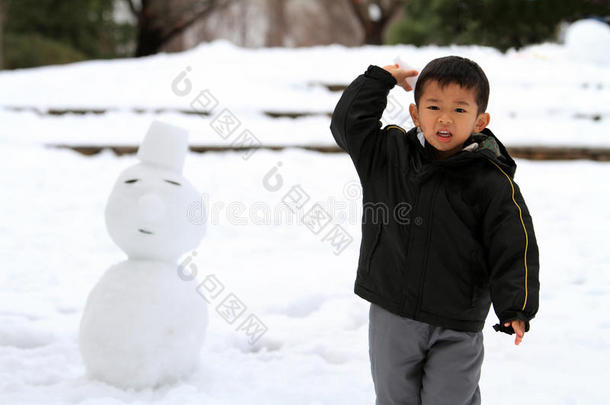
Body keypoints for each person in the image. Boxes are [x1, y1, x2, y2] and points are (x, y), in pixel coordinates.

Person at [329, 56, 540, 405]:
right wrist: (379, 80)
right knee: (395, 398)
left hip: (457, 321)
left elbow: (513, 244)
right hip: (393, 313)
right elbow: (348, 125)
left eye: (459, 110)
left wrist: (516, 306)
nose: (444, 118)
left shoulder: (491, 181)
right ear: (415, 114)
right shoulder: (389, 156)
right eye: (433, 107)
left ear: (479, 121)